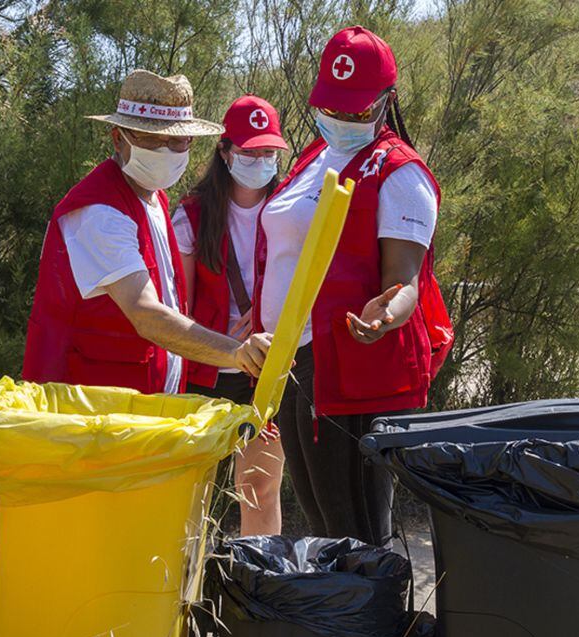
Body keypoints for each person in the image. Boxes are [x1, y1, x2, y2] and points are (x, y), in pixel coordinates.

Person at [252, 26, 454, 546]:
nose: (342, 121)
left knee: (357, 530)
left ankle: (377, 625)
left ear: (387, 102)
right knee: (323, 525)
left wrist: (386, 313)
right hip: (297, 365)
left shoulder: (400, 174)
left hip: (354, 374)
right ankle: (343, 623)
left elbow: (403, 280)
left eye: (358, 111)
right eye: (333, 108)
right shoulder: (314, 157)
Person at [22, 70, 272, 393]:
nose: (167, 149)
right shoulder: (100, 213)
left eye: (178, 140)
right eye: (152, 138)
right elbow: (146, 314)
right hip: (90, 415)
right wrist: (233, 352)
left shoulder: (152, 198)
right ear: (118, 138)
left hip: (136, 410)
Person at [171, 95, 288, 536]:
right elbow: (178, 307)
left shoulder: (290, 208)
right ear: (224, 152)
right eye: (249, 151)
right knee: (191, 494)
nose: (260, 161)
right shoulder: (192, 215)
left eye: (269, 152)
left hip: (264, 371)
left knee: (259, 488)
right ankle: (188, 594)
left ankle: (261, 589)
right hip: (206, 372)